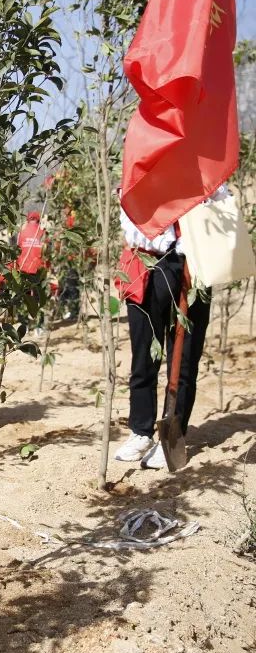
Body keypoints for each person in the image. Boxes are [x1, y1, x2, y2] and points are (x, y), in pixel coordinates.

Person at [113, 187, 219, 469]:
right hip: (147, 261)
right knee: (144, 355)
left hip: (194, 265)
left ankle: (173, 433)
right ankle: (141, 430)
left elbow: (221, 208)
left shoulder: (204, 172)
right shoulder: (139, 170)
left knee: (184, 360)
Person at [15, 209, 47, 276]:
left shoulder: (21, 231)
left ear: (27, 219)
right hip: (37, 269)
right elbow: (46, 250)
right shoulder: (42, 231)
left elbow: (17, 247)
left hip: (22, 267)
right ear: (38, 219)